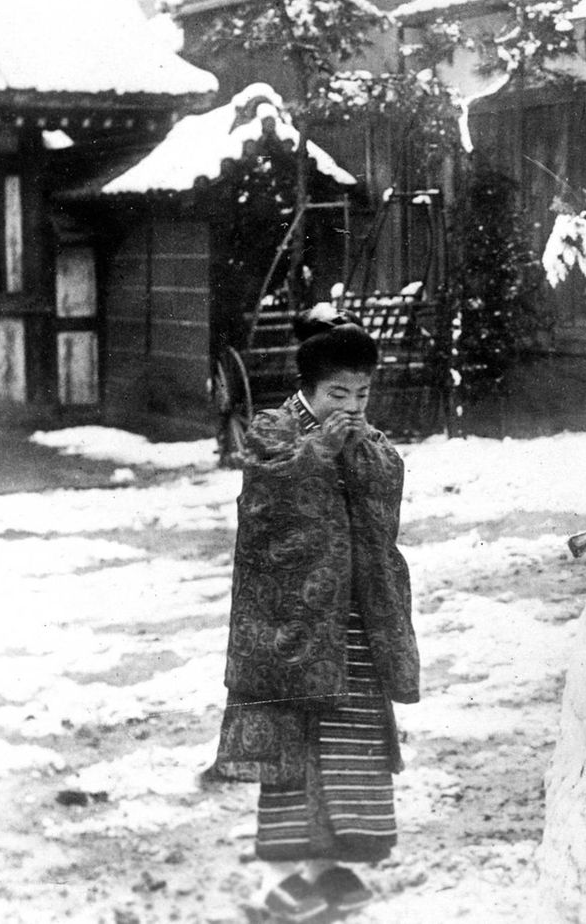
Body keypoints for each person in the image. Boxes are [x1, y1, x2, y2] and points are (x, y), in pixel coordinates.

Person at [213, 304, 419, 922]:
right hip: (290, 628)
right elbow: (273, 495)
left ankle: (328, 865)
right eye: (339, 393)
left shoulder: (364, 438)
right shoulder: (274, 431)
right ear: (308, 388)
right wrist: (324, 447)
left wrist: (356, 450)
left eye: (361, 392)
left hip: (353, 625)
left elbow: (386, 491)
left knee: (350, 742)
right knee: (293, 750)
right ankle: (280, 880)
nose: (353, 405)